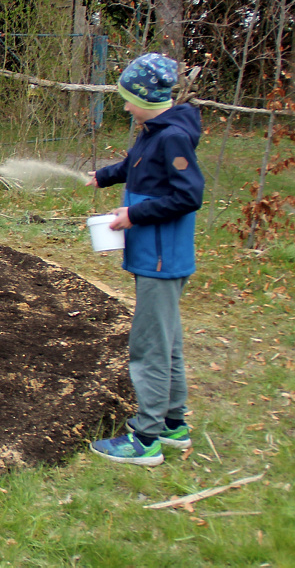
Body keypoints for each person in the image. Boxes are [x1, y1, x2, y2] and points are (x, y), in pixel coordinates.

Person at [87, 52, 204, 466]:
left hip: (161, 257)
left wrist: (132, 216)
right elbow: (139, 167)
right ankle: (173, 423)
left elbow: (189, 195)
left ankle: (146, 438)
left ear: (147, 98)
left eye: (128, 98)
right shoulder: (155, 131)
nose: (124, 105)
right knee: (167, 340)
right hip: (152, 255)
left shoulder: (170, 137)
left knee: (150, 344)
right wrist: (104, 176)